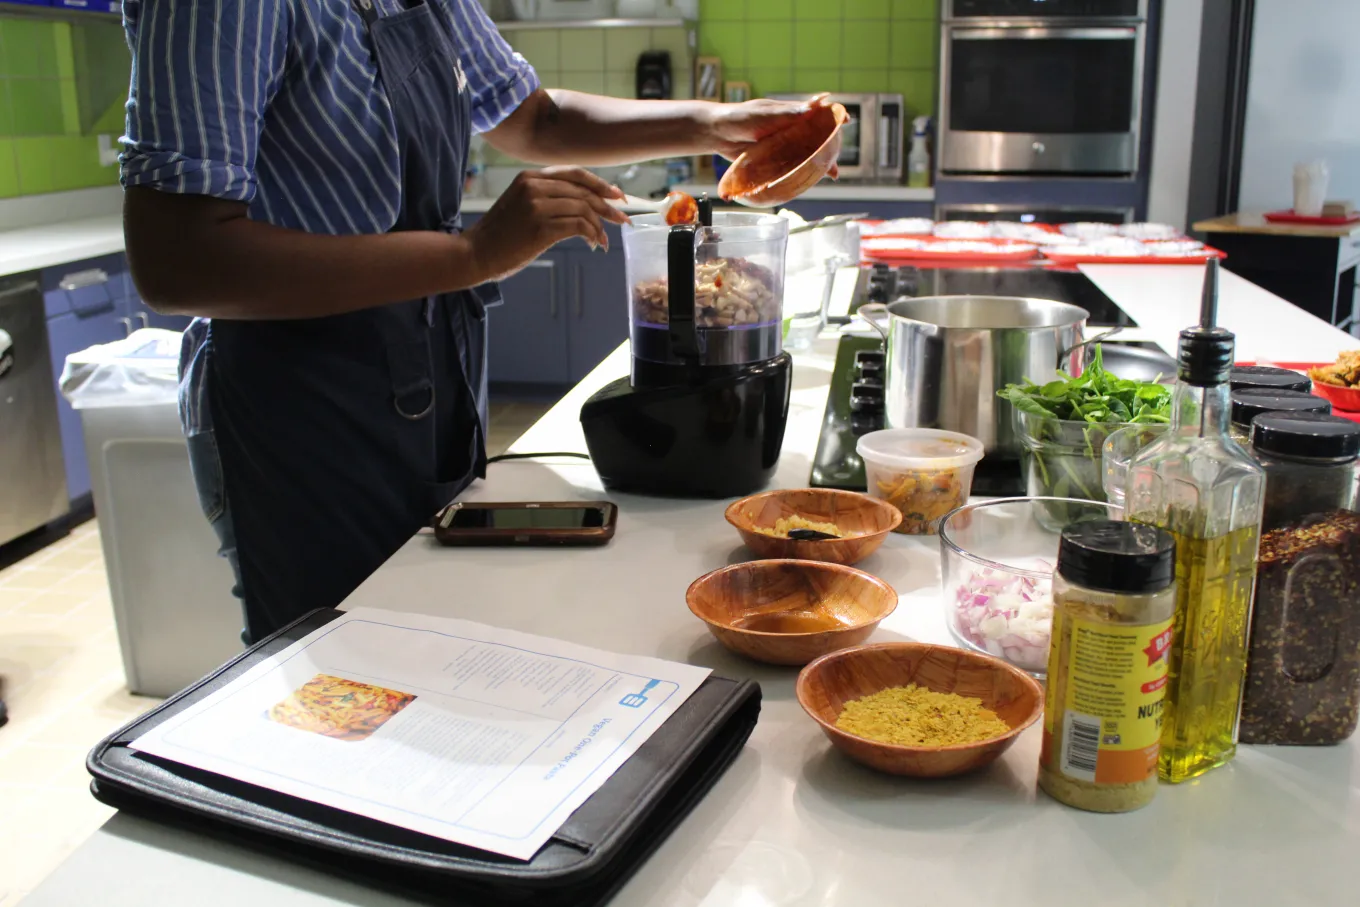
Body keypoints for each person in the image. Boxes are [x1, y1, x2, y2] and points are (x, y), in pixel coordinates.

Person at [120, 0, 822, 645]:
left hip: (430, 366)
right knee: (340, 669)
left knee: (434, 623)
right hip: (303, 400)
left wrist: (710, 125)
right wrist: (474, 253)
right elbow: (176, 260)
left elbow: (534, 118)